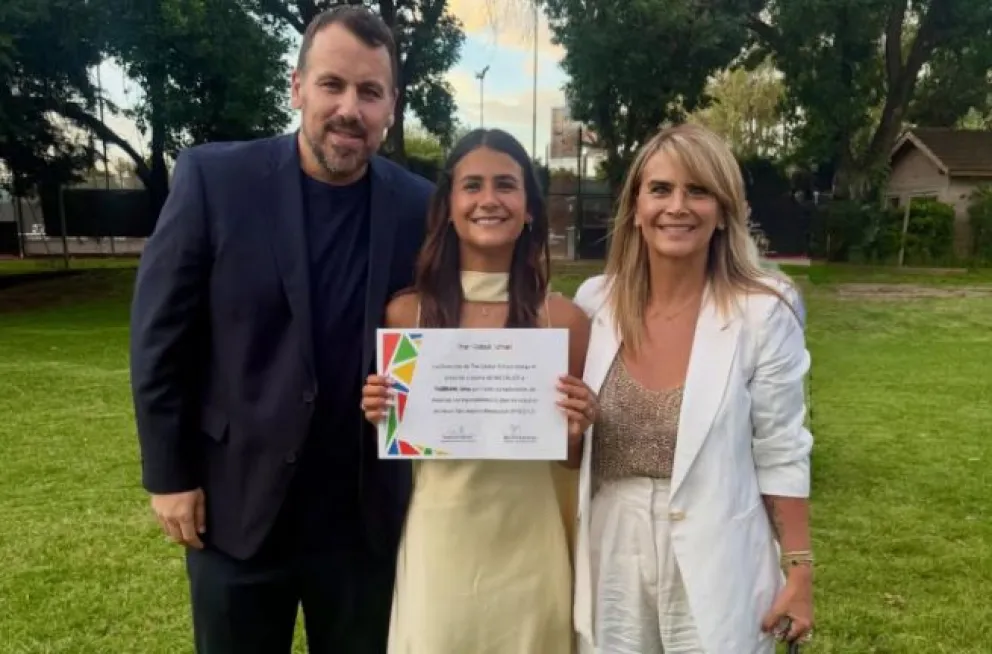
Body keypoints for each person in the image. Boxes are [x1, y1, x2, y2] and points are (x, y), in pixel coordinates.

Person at [128, 7, 432, 653]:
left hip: (362, 523)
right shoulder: (215, 180)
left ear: (390, 106)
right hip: (235, 507)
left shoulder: (419, 206)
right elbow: (160, 337)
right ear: (297, 88)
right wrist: (169, 475)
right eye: (332, 85)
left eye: (369, 91)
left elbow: (455, 320)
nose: (349, 108)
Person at [571, 123, 814, 653]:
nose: (677, 207)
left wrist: (799, 569)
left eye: (698, 191)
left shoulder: (763, 311)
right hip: (611, 550)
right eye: (660, 189)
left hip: (718, 552)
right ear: (636, 208)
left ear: (724, 211)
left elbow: (782, 449)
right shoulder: (595, 302)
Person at [360, 128, 597, 654]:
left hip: (531, 546)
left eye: (505, 185)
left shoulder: (565, 321)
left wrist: (579, 429)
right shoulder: (407, 315)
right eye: (472, 186)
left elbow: (572, 463)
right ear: (448, 207)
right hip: (439, 545)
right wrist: (380, 410)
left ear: (529, 209)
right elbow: (397, 452)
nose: (489, 199)